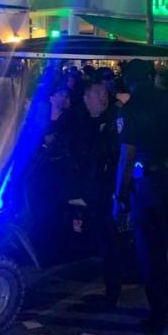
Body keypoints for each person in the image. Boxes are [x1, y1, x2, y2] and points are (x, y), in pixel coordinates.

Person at [114, 59, 168, 334]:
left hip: (149, 181)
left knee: (151, 249)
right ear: (151, 76)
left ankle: (161, 313)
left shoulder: (129, 110)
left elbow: (126, 157)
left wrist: (119, 193)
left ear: (129, 81)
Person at [71, 81, 124, 306]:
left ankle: (113, 290)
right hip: (87, 187)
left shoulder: (112, 121)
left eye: (104, 93)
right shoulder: (79, 121)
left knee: (108, 237)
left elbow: (116, 155)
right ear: (86, 97)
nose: (103, 97)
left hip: (106, 188)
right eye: (97, 93)